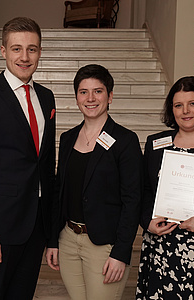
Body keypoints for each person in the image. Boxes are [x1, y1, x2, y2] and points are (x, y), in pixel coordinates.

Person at [0, 17, 56, 300]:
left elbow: (46, 166)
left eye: (32, 49)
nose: (24, 57)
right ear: (3, 51)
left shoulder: (46, 97)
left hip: (36, 226)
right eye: (17, 49)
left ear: (40, 52)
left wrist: (50, 233)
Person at [46, 64, 142, 300]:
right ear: (76, 97)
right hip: (68, 240)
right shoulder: (67, 138)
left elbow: (133, 201)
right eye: (83, 92)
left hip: (104, 246)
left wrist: (121, 253)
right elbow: (60, 192)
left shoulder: (125, 141)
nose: (90, 98)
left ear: (110, 96)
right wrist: (53, 241)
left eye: (98, 91)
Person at [136, 76, 194, 300]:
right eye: (178, 105)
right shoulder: (157, 144)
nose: (185, 110)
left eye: (193, 103)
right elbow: (144, 190)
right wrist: (147, 220)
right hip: (161, 247)